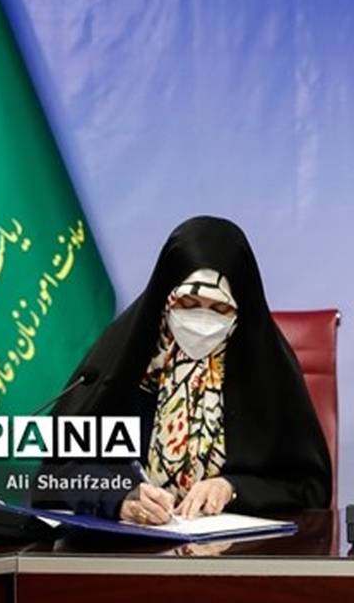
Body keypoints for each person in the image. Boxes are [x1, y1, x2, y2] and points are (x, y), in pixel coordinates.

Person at [35, 216, 331, 522]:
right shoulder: (127, 363)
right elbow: (57, 474)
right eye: (188, 303)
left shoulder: (265, 371)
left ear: (241, 308)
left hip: (239, 547)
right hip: (133, 543)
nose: (202, 319)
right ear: (165, 298)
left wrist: (233, 487)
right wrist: (118, 498)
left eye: (220, 308)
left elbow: (310, 487)